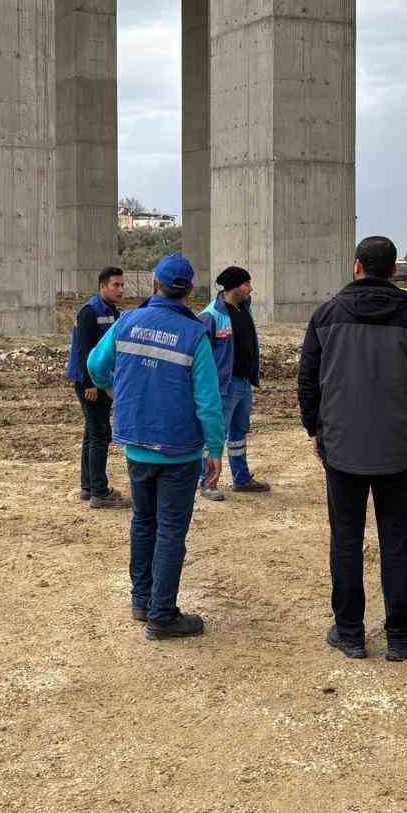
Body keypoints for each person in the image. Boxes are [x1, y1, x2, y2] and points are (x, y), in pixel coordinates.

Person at [298, 237, 407, 662]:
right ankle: (400, 635)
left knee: (345, 541)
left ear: (356, 266)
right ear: (394, 271)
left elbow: (308, 380)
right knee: (397, 543)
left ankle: (350, 633)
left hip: (342, 447)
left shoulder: (326, 314)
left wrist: (315, 430)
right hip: (398, 449)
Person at [86, 254, 226, 640]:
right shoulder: (194, 334)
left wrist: (120, 390)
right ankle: (162, 615)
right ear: (190, 290)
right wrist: (215, 449)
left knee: (143, 522)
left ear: (154, 284)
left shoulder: (128, 321)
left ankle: (142, 600)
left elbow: (95, 365)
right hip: (180, 450)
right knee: (170, 531)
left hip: (136, 443)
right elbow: (208, 401)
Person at [197, 265, 271, 500]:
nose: (251, 288)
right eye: (246, 284)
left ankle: (241, 478)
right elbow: (200, 353)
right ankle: (207, 482)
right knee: (215, 434)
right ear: (233, 287)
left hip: (243, 383)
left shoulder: (243, 308)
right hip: (223, 387)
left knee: (239, 433)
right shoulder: (211, 315)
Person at [65, 266, 127, 509]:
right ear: (103, 287)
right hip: (90, 382)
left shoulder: (112, 311)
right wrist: (90, 384)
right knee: (100, 434)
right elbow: (84, 350)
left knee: (92, 433)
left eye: (122, 285)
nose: (120, 289)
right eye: (116, 285)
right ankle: (99, 493)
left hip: (101, 380)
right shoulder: (90, 311)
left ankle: (88, 487)